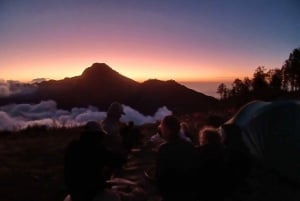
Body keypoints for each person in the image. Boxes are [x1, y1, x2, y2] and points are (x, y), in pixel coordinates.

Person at [64, 121, 123, 201]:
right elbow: (115, 160)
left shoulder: (73, 147)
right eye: (100, 135)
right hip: (91, 194)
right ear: (96, 135)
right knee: (115, 197)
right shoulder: (96, 148)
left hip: (74, 193)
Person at [155, 115, 198, 201]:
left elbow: (160, 176)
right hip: (190, 190)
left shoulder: (164, 149)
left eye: (162, 128)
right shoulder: (189, 145)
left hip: (172, 192)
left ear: (166, 130)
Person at [197, 126, 226, 201]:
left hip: (204, 187)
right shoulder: (224, 150)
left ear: (205, 139)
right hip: (222, 187)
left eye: (201, 138)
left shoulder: (200, 151)